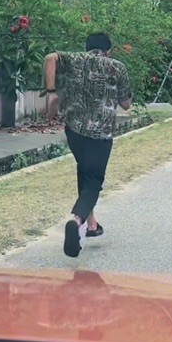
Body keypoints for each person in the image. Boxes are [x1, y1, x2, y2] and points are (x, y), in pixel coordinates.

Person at [42, 32, 133, 258]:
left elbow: (49, 59)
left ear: (87, 47)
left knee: (83, 169)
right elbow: (126, 104)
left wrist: (52, 93)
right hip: (100, 134)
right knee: (93, 181)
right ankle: (76, 220)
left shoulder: (74, 60)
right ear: (108, 50)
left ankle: (92, 224)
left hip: (74, 130)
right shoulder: (117, 67)